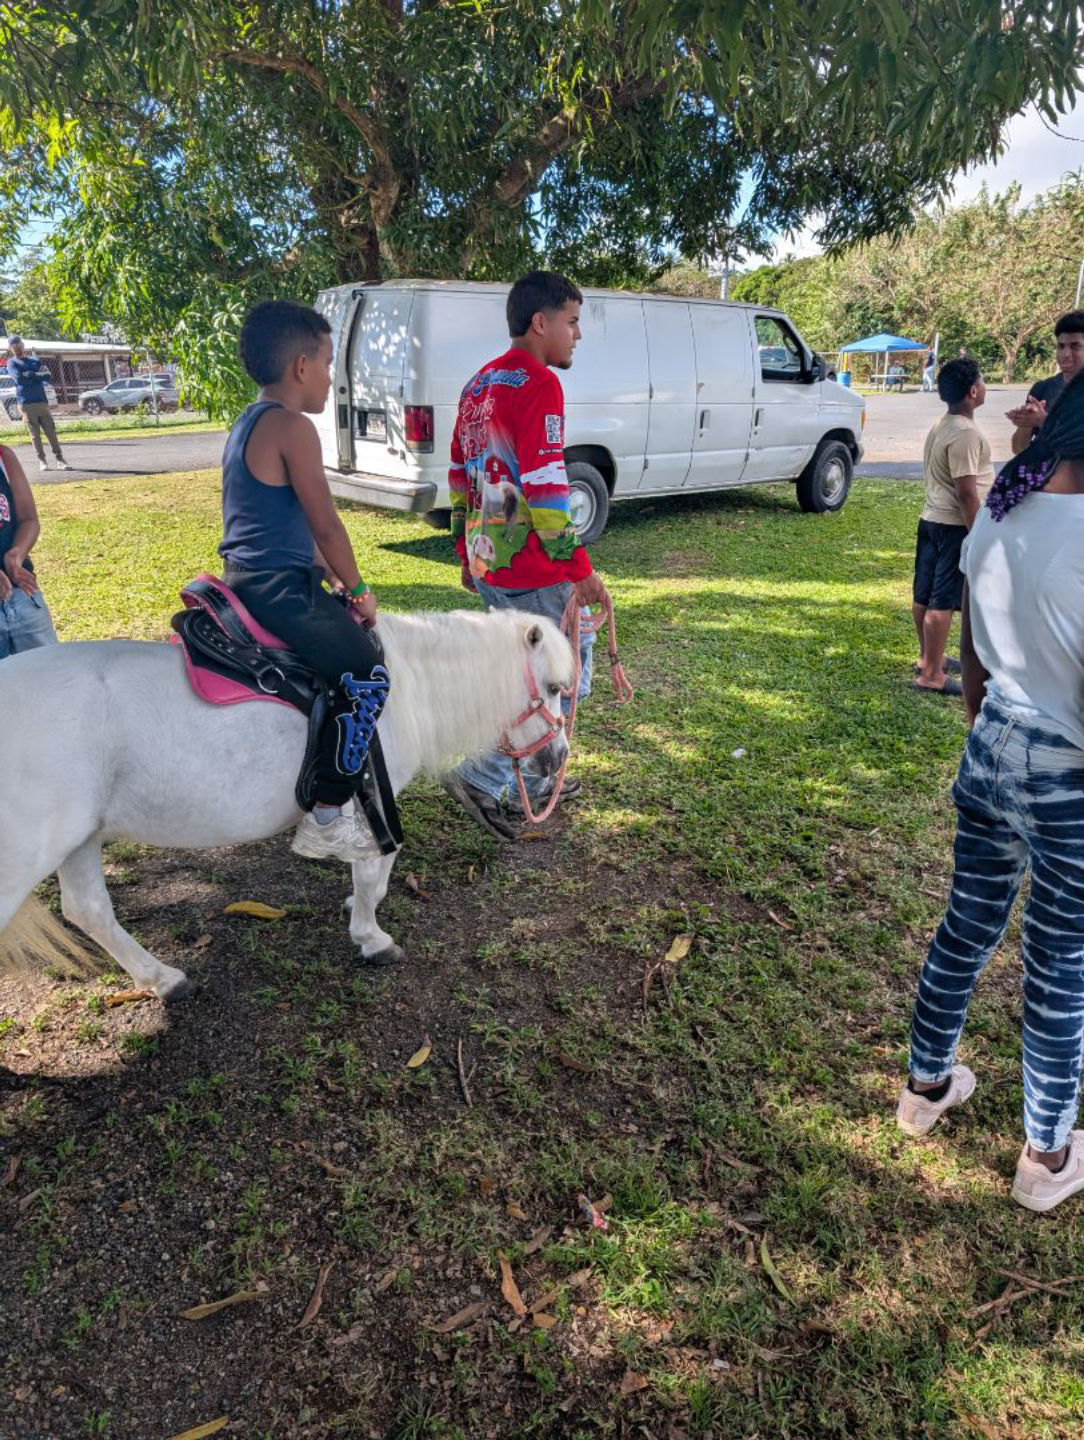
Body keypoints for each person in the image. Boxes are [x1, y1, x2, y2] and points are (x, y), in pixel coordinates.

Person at [896, 369, 1084, 1212]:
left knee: (965, 926)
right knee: (1058, 968)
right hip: (1065, 776)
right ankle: (1046, 1158)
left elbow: (972, 638)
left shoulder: (1005, 511)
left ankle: (925, 1087)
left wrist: (981, 720)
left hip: (992, 744)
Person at [218, 299, 388, 862]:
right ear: (300, 366)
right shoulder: (294, 427)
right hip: (276, 588)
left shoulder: (250, 420)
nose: (330, 376)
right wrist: (360, 592)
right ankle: (327, 814)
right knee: (368, 675)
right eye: (327, 362)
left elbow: (300, 530)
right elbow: (327, 524)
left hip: (253, 577)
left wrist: (332, 583)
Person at [442, 270, 607, 839]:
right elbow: (545, 488)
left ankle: (534, 780)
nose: (577, 335)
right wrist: (581, 572)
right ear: (541, 323)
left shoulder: (477, 385)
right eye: (572, 321)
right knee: (562, 679)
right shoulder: (538, 383)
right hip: (536, 567)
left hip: (492, 561)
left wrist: (468, 558)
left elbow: (460, 480)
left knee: (523, 673)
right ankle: (484, 775)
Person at [912, 357, 993, 696]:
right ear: (974, 391)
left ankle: (929, 658)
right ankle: (931, 673)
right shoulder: (965, 433)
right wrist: (977, 533)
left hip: (932, 520)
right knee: (941, 599)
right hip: (952, 526)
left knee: (924, 594)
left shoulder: (942, 424)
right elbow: (965, 492)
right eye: (983, 380)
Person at [0, 441, 59, 657]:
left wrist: (17, 553)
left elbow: (28, 519)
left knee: (49, 680)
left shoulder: (3, 457)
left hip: (22, 598)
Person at [1007, 309, 1084, 455]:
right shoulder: (1042, 389)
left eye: (1075, 346)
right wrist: (1026, 424)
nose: (1066, 354)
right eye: (1061, 346)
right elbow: (1019, 450)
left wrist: (1045, 422)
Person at [4, 337, 70, 473]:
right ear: (10, 348)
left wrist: (31, 374)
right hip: (26, 404)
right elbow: (19, 379)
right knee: (35, 435)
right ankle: (42, 461)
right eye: (13, 344)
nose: (17, 346)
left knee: (51, 432)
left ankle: (60, 459)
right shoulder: (12, 363)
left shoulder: (35, 360)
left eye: (18, 343)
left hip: (41, 401)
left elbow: (47, 376)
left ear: (23, 344)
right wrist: (36, 376)